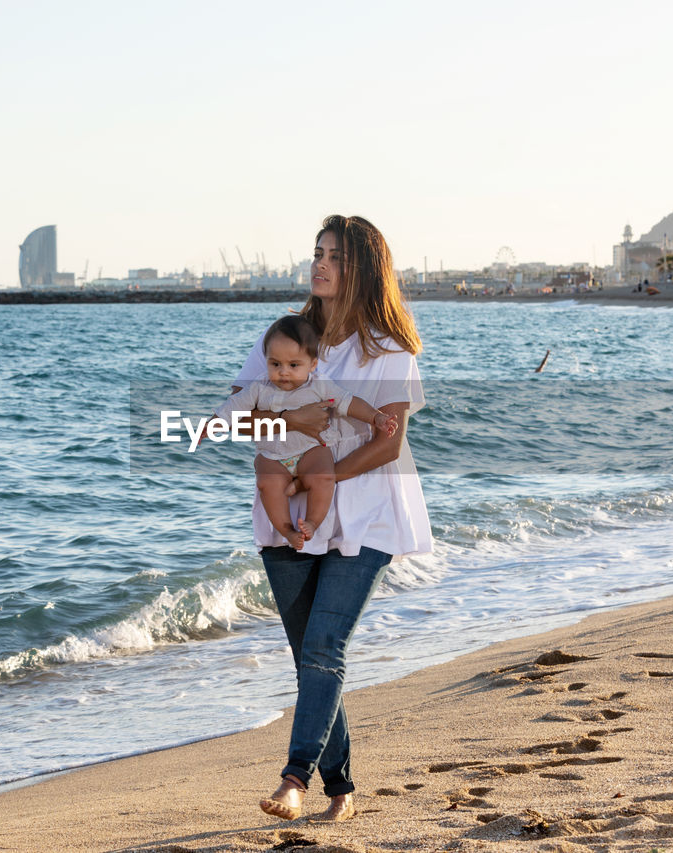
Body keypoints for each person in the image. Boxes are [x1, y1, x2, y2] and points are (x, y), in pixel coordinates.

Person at [231, 215, 431, 823]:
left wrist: (323, 476)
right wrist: (294, 429)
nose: (320, 264)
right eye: (317, 253)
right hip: (288, 516)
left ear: (364, 269)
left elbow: (388, 444)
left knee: (324, 644)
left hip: (366, 512)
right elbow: (240, 420)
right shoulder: (288, 338)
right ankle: (340, 786)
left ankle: (294, 778)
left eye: (335, 256)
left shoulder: (391, 350)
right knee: (310, 656)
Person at [209, 315, 398, 550]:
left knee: (324, 476)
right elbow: (233, 407)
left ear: (312, 364)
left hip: (311, 450)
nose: (283, 372)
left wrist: (376, 417)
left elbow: (348, 402)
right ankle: (286, 530)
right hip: (273, 455)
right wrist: (213, 424)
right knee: (267, 482)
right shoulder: (258, 388)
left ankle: (312, 521)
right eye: (275, 364)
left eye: (293, 365)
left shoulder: (319, 385)